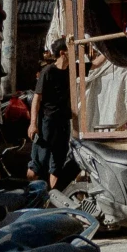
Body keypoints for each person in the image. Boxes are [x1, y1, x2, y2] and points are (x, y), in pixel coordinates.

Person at [30, 36, 74, 186]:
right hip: (47, 123)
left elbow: (94, 65)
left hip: (63, 123)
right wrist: (33, 124)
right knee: (38, 164)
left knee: (58, 165)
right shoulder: (48, 72)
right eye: (71, 49)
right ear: (63, 53)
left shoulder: (72, 70)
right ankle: (28, 196)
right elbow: (36, 99)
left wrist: (108, 49)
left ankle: (52, 199)